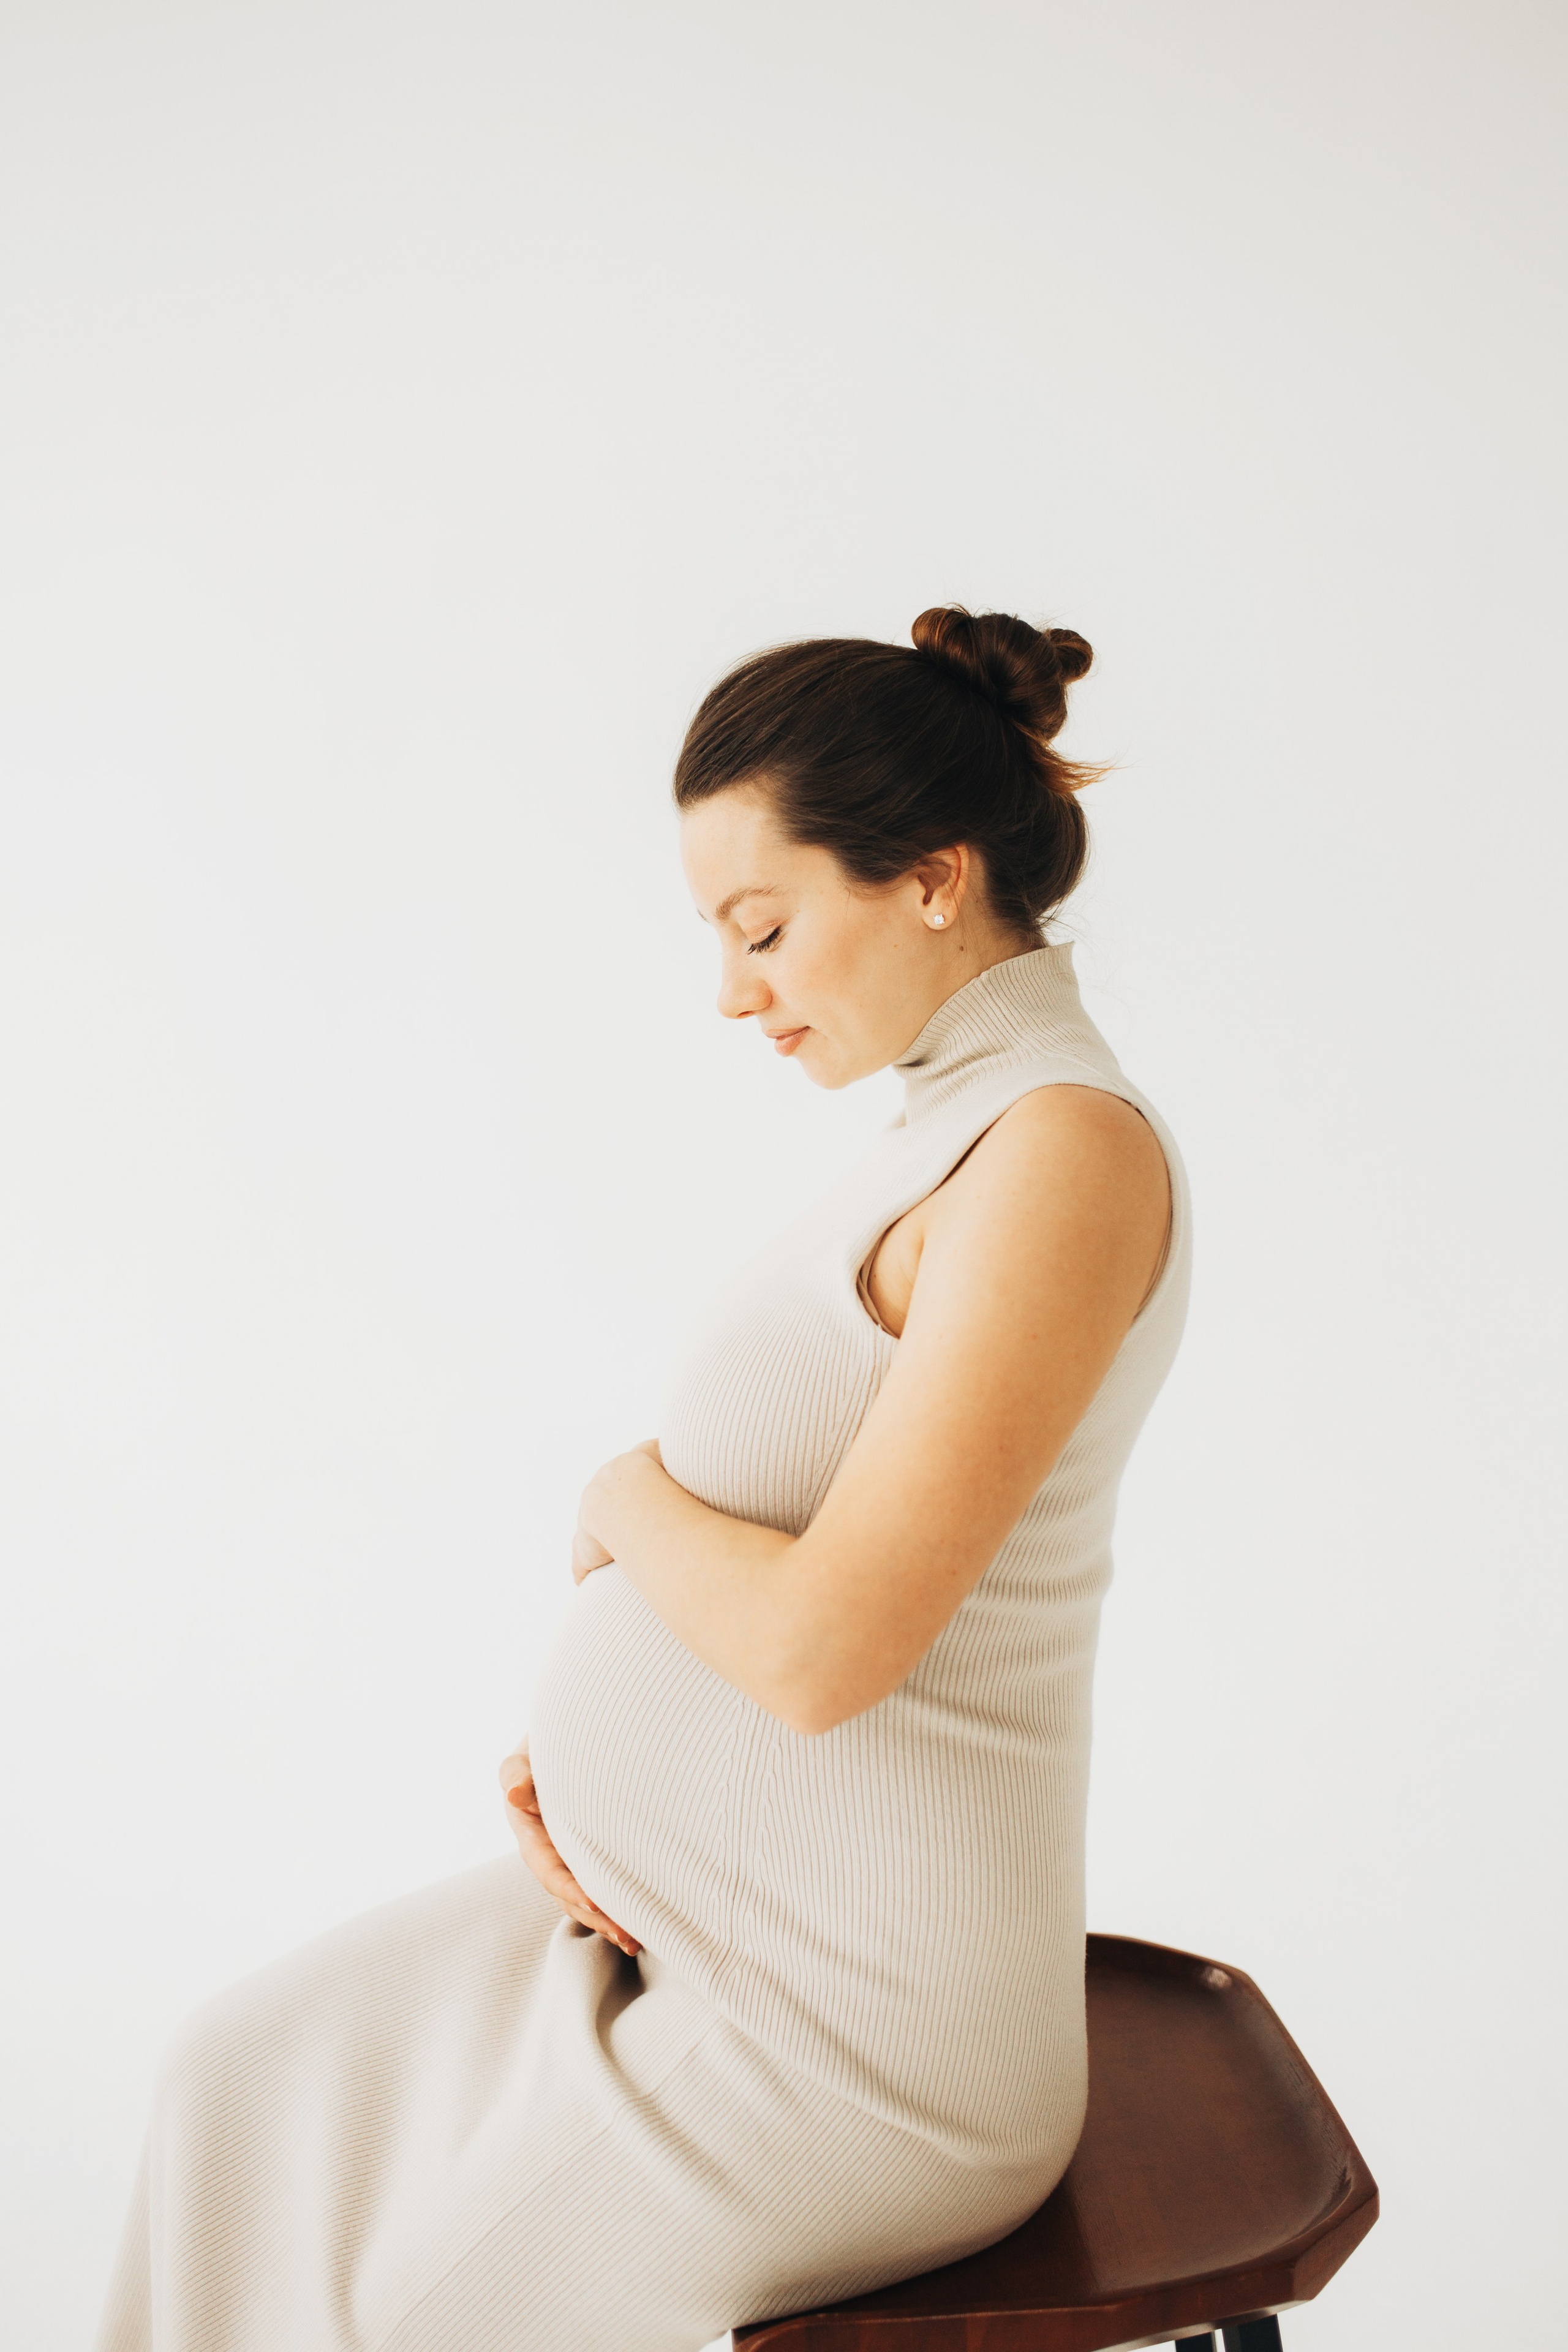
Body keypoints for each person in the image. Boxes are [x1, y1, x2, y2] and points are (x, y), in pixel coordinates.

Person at [96, 605, 1190, 2352]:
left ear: (930, 877)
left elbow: (829, 1652)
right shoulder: (943, 1128)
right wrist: (621, 1791)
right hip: (714, 1923)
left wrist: (621, 1501)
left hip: (863, 2037)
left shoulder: (1060, 1155)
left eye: (763, 927)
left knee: (414, 2320)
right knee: (245, 2085)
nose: (732, 987)